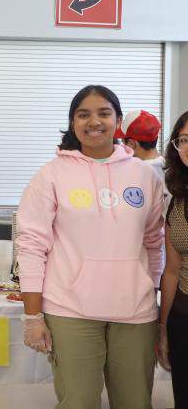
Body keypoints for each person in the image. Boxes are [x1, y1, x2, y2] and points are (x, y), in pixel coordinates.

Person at [16, 85, 164, 409]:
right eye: (83, 114)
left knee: (136, 402)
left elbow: (155, 243)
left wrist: (151, 292)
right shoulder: (51, 175)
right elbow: (30, 246)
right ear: (73, 123)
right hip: (70, 310)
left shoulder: (145, 176)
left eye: (103, 113)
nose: (93, 121)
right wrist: (33, 316)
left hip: (136, 312)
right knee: (78, 402)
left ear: (118, 121)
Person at [157, 111, 188, 407]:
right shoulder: (176, 200)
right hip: (183, 318)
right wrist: (163, 330)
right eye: (184, 140)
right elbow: (171, 270)